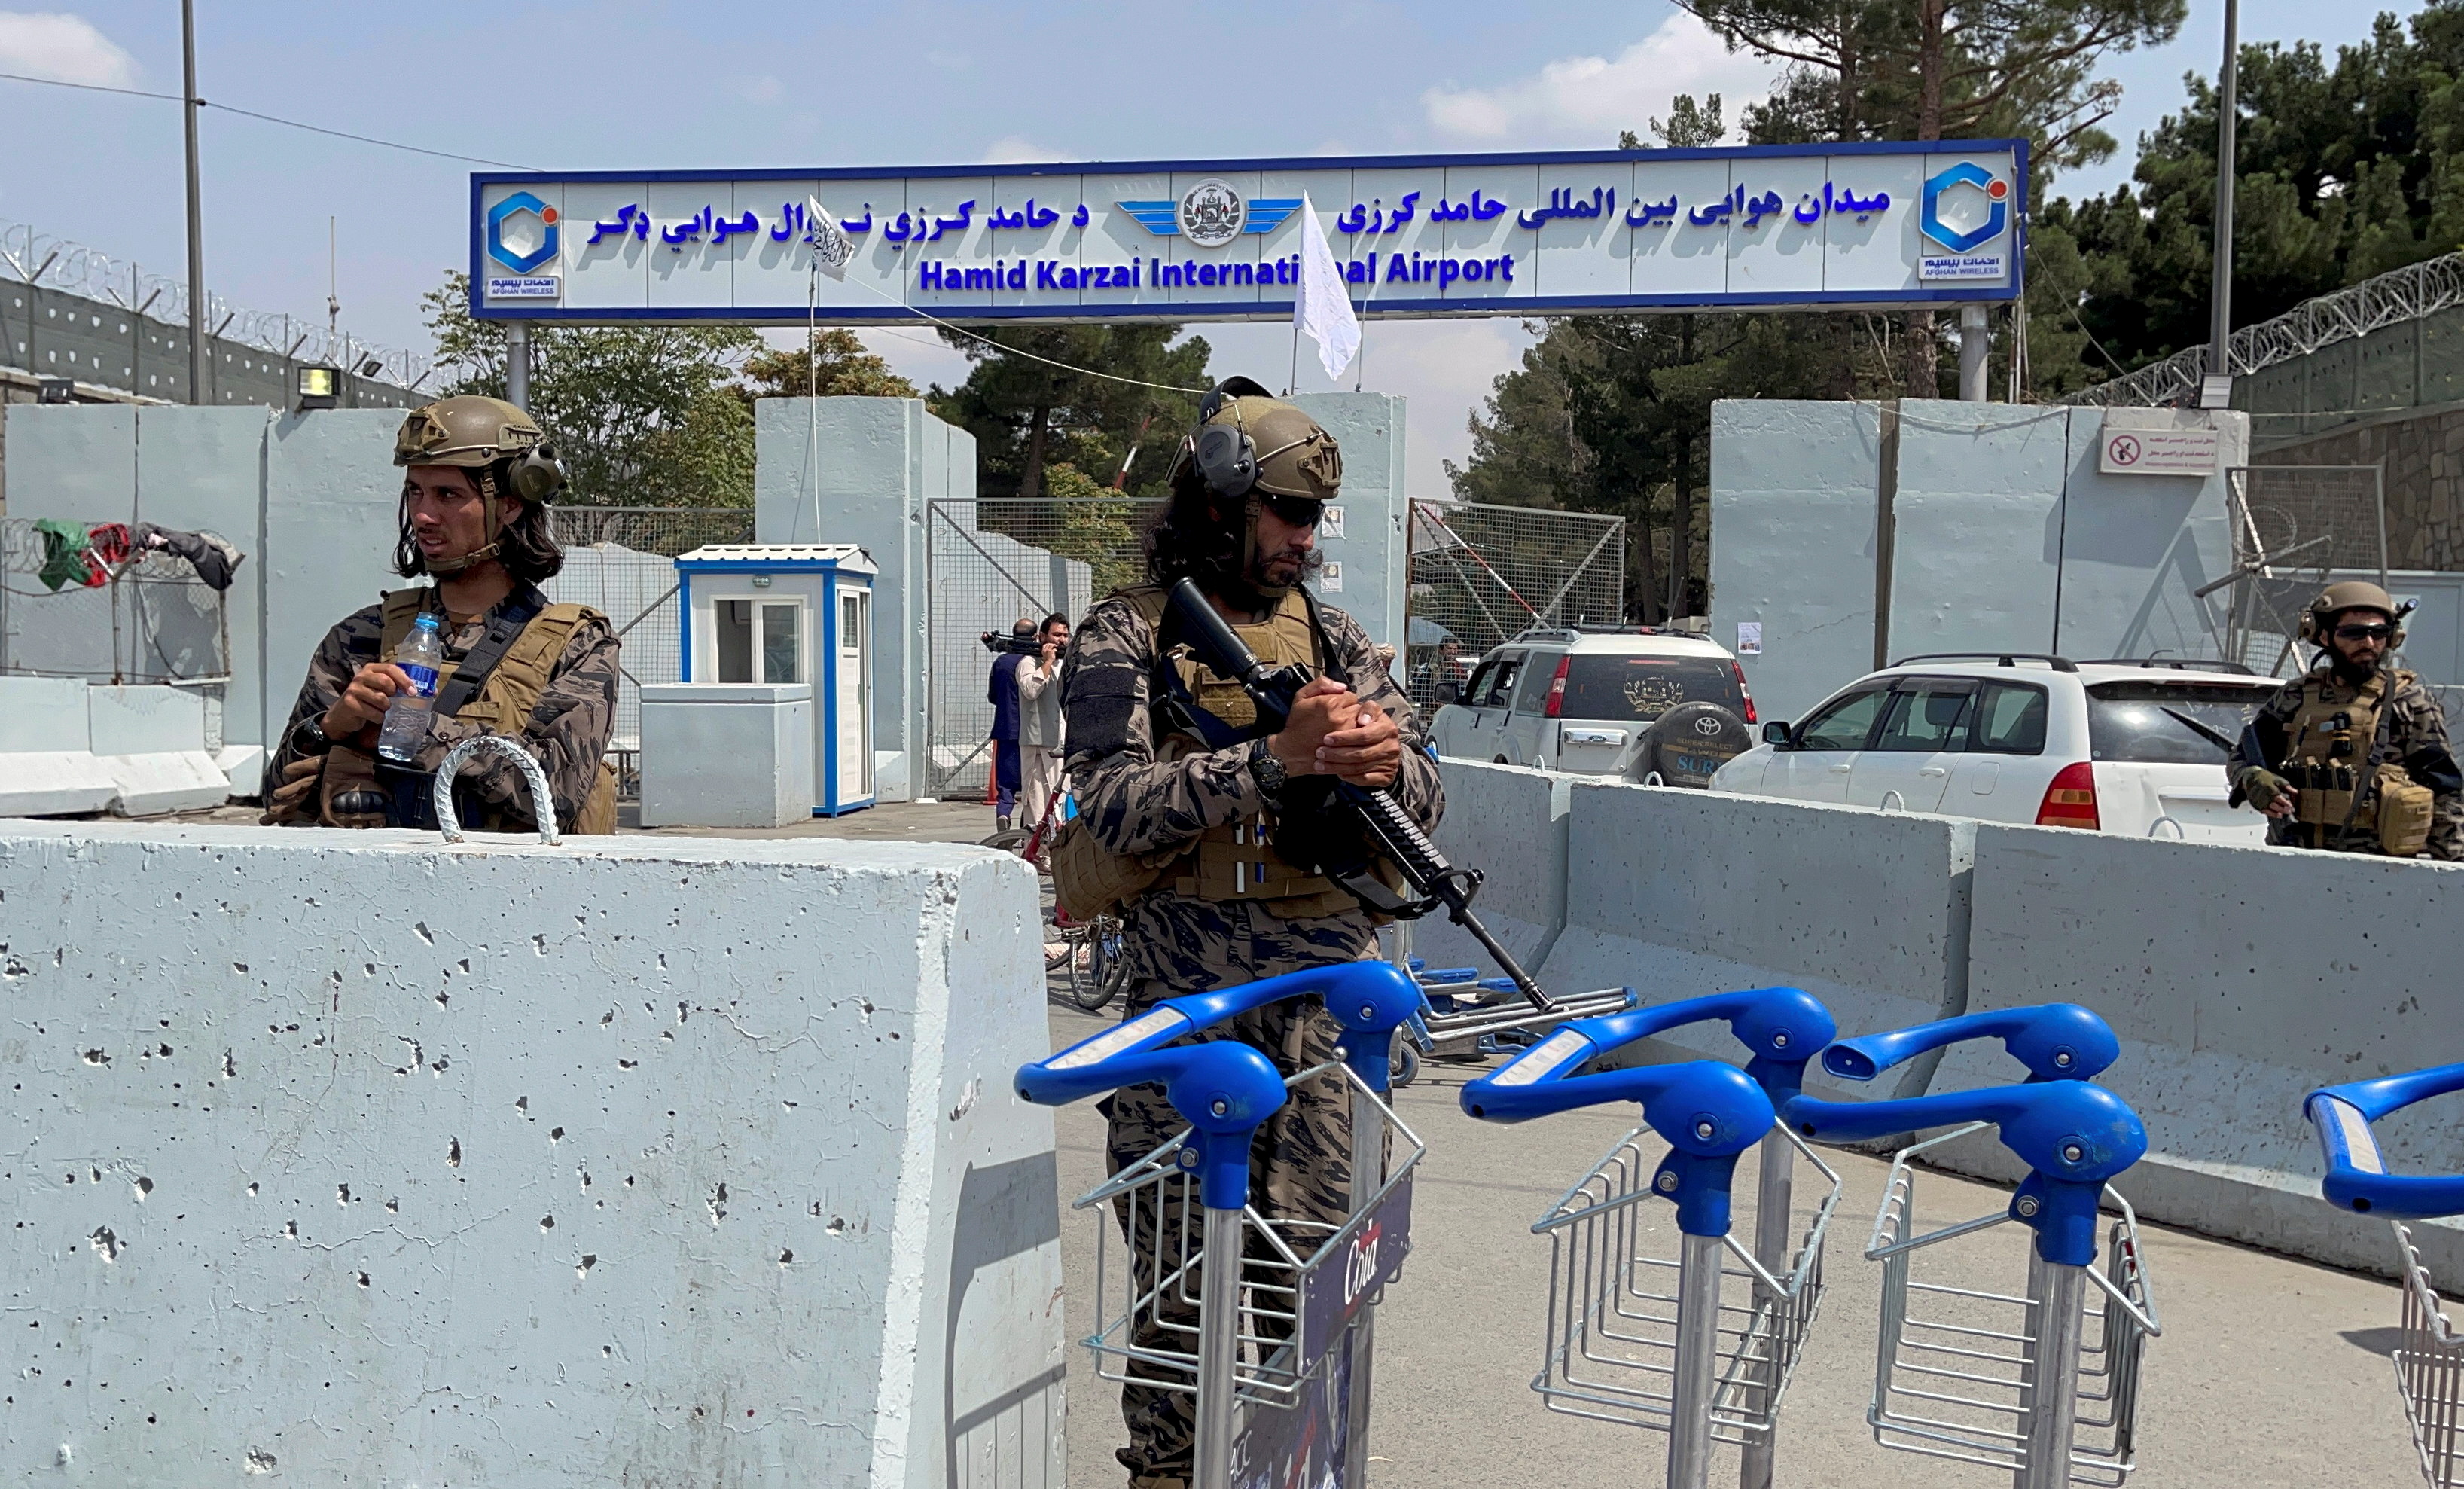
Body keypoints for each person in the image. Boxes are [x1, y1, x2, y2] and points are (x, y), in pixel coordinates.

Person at [1057, 378, 1440, 1489]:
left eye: (1315, 519)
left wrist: (1382, 766)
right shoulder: (1130, 632)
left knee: (1316, 1304)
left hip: (1327, 1030)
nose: (1302, 538)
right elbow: (1112, 806)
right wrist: (1270, 763)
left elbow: (1427, 798)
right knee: (1178, 1311)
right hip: (1187, 1022)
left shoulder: (1335, 635)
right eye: (1283, 512)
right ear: (1221, 501)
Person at [262, 396, 619, 835]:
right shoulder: (361, 636)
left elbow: (555, 794)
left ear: (510, 503)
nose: (424, 515)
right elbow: (277, 796)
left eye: (448, 494)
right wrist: (330, 726)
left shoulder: (577, 645)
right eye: (415, 491)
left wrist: (404, 732)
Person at [2229, 580, 2463, 859]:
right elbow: (2242, 757)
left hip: (2381, 865)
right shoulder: (2294, 697)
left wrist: (2447, 870)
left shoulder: (2409, 703)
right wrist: (2252, 779)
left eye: (2379, 634)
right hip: (2295, 856)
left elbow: (2446, 791)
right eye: (2354, 633)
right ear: (2325, 636)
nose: (2368, 644)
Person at [1012, 612, 1069, 828]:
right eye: (1056, 635)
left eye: (1065, 635)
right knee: (1037, 804)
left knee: (1060, 802)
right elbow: (1030, 690)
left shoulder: (1064, 663)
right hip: (1037, 745)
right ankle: (1035, 855)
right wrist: (1046, 663)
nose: (1061, 640)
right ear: (1042, 637)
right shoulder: (1028, 662)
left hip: (1060, 743)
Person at [987, 617, 1034, 829]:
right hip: (1032, 731)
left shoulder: (1001, 663)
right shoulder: (1035, 662)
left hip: (1006, 728)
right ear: (1035, 636)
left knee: (1006, 780)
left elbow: (993, 696)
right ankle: (1029, 824)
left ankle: (1004, 813)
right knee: (1032, 779)